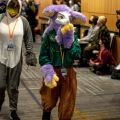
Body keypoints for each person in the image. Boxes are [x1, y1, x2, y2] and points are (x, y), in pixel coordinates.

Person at [39, 5, 86, 120]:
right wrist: (48, 71)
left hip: (68, 73)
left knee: (67, 104)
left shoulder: (72, 35)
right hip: (53, 72)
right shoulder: (49, 36)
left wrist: (69, 38)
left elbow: (77, 54)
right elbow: (43, 55)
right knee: (48, 101)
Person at [0, 0, 37, 119]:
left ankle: (13, 110)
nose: (13, 11)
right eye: (11, 8)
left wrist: (30, 54)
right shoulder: (1, 18)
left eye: (16, 8)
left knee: (13, 86)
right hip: (1, 56)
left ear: (19, 9)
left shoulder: (23, 21)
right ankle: (0, 102)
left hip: (16, 58)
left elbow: (28, 39)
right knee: (0, 85)